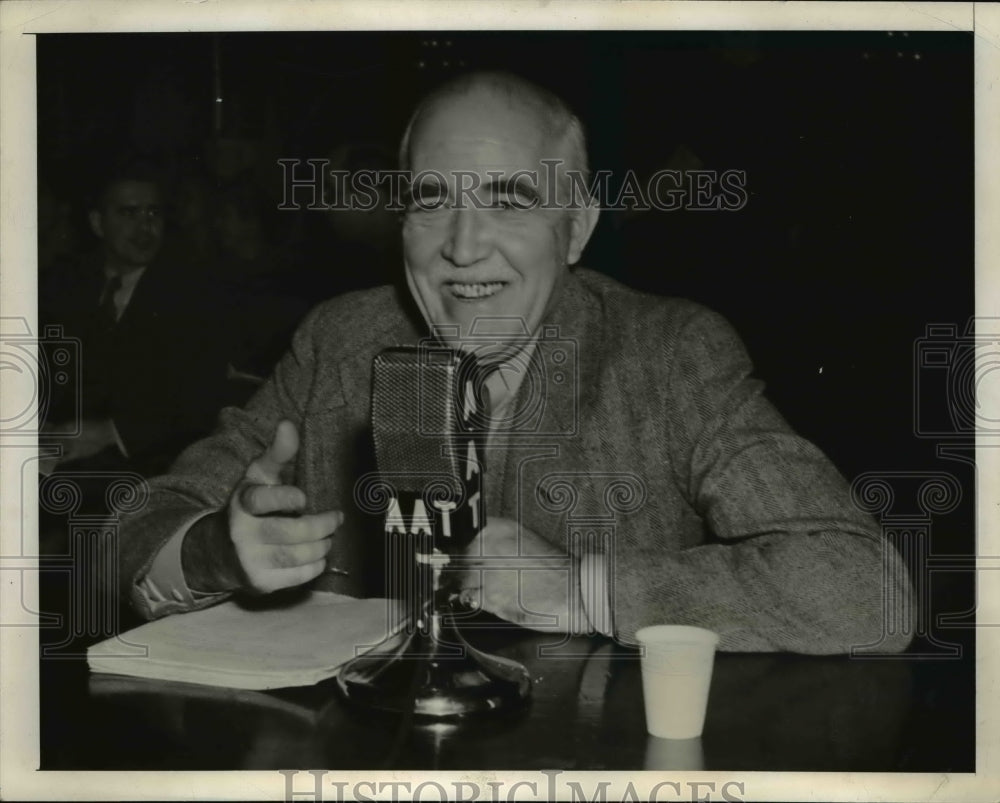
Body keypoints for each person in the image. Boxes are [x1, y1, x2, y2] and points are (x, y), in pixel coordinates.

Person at [118, 72, 913, 654]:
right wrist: (211, 549)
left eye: (508, 200)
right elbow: (133, 526)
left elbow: (869, 589)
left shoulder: (668, 354)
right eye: (432, 200)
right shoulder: (342, 339)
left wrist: (585, 588)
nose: (463, 247)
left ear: (576, 229)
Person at [39, 157, 250, 479]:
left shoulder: (197, 295)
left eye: (154, 212)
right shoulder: (67, 283)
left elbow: (203, 402)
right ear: (97, 224)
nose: (145, 227)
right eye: (128, 213)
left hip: (144, 470)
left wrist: (110, 432)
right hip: (61, 458)